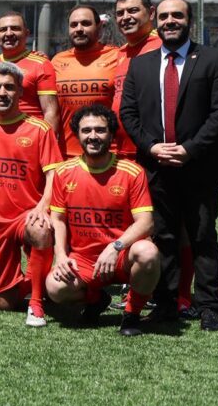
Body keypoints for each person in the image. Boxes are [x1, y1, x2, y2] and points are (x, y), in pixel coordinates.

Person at [120, 0, 218, 331]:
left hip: (199, 166)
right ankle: (166, 306)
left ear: (189, 20)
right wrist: (152, 146)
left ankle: (209, 306)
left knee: (202, 236)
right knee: (164, 238)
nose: (171, 21)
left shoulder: (215, 59)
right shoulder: (140, 65)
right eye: (166, 16)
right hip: (156, 166)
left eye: (178, 16)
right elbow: (128, 113)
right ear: (156, 19)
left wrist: (189, 149)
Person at [46, 104, 160, 337]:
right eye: (86, 130)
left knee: (148, 252)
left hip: (121, 255)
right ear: (77, 134)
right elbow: (57, 219)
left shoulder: (132, 172)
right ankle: (97, 300)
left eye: (100, 130)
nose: (93, 136)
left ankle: (131, 314)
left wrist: (115, 246)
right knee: (55, 288)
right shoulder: (63, 172)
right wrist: (60, 255)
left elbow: (146, 222)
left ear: (111, 134)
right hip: (85, 260)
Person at [0, 62, 63, 327]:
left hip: (26, 215)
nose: (2, 93)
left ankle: (36, 303)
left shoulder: (39, 129)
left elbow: (53, 175)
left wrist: (42, 208)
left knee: (41, 231)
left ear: (20, 92)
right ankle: (39, 281)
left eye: (9, 87)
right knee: (3, 303)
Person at [51, 5, 120, 157]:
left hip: (107, 154)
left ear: (99, 27)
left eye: (86, 23)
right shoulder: (57, 61)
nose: (79, 29)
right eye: (74, 25)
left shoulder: (117, 56)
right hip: (66, 154)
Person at [0, 11, 60, 134]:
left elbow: (51, 111)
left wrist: (46, 144)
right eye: (3, 29)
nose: (9, 33)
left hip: (27, 141)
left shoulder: (40, 64)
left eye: (15, 28)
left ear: (26, 33)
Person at [111, 0, 162, 159]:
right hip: (120, 152)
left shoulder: (165, 46)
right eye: (120, 13)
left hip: (155, 151)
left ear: (151, 13)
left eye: (133, 10)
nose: (125, 17)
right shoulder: (120, 53)